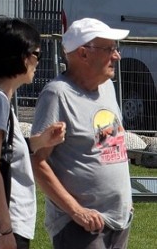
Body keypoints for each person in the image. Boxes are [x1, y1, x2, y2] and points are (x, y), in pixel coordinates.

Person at [0, 18, 66, 249]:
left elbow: (1, 153)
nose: (38, 62)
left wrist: (40, 141)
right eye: (36, 54)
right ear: (21, 57)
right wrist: (6, 228)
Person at [32, 17, 133, 249]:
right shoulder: (57, 95)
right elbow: (37, 161)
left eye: (116, 49)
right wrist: (76, 211)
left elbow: (111, 144)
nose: (116, 55)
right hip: (81, 227)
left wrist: (124, 199)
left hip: (119, 221)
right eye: (109, 49)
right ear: (83, 54)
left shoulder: (107, 87)